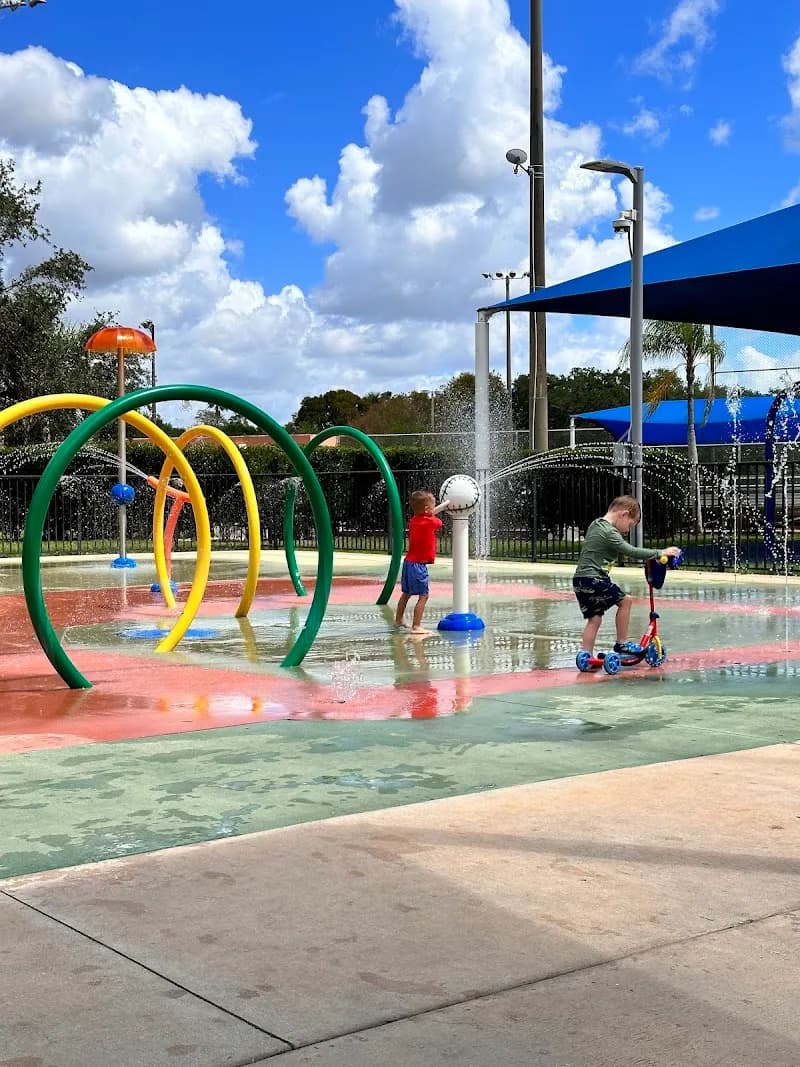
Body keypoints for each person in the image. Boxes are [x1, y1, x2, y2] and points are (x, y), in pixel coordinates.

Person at [573, 495, 680, 656]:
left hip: (580, 580)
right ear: (623, 514)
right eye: (630, 525)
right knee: (626, 601)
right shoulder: (609, 532)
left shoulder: (595, 524)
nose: (628, 530)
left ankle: (585, 655)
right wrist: (660, 552)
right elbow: (631, 551)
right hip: (595, 578)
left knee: (594, 618)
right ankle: (622, 643)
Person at [394, 489, 450, 634]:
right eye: (432, 506)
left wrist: (430, 512)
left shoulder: (414, 521)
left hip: (408, 563)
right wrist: (433, 513)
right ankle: (416, 626)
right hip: (418, 565)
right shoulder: (430, 522)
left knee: (406, 593)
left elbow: (429, 517)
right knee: (424, 595)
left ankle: (399, 619)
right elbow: (439, 523)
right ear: (426, 509)